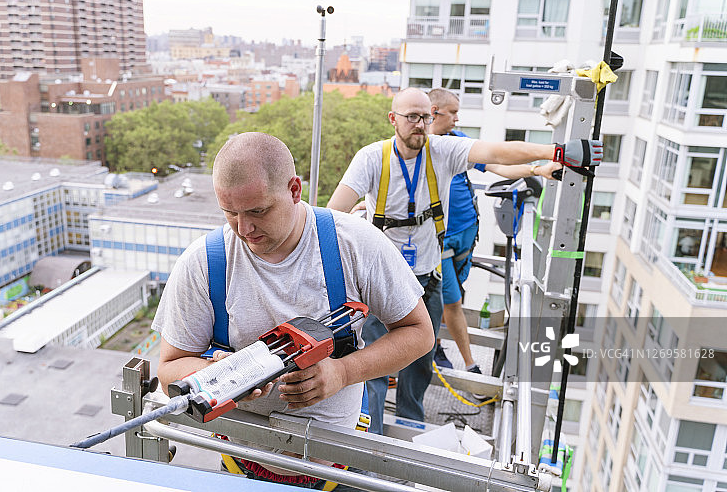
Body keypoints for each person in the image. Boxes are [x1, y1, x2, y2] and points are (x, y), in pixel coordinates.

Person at [152, 132, 434, 487]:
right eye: (230, 213)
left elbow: (419, 333)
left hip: (341, 468)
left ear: (295, 190)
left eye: (258, 211)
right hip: (244, 466)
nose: (244, 228)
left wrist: (342, 373)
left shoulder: (355, 244)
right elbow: (170, 367)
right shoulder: (205, 264)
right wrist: (214, 372)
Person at [327, 88, 602, 431]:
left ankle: (412, 427)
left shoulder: (442, 150)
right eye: (412, 117)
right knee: (373, 363)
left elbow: (496, 151)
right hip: (380, 281)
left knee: (420, 358)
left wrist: (555, 153)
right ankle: (371, 438)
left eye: (425, 117)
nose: (419, 125)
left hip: (425, 278)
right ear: (393, 119)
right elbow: (333, 213)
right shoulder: (371, 158)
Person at [427, 88, 559, 376]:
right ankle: (470, 363)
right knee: (452, 301)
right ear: (434, 111)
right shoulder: (424, 148)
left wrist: (537, 170)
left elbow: (499, 163)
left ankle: (435, 342)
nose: (457, 118)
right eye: (453, 112)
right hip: (440, 240)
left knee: (448, 296)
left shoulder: (459, 142)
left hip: (464, 234)